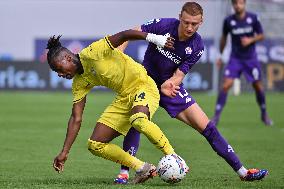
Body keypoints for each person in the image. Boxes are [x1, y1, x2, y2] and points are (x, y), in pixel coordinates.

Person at [113, 1, 268, 184]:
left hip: (169, 88)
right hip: (145, 82)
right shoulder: (163, 25)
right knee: (138, 120)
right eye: (185, 22)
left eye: (194, 24)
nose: (189, 27)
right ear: (180, 17)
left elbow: (180, 74)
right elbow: (130, 33)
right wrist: (118, 55)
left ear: (201, 22)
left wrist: (170, 84)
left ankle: (243, 172)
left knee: (208, 128)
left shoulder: (197, 45)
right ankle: (124, 173)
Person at [48, 30, 181, 184]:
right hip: (124, 97)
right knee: (95, 145)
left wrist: (155, 39)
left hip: (143, 85)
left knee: (139, 120)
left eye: (59, 68)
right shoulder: (79, 82)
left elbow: (124, 35)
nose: (59, 74)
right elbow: (76, 118)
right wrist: (64, 152)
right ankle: (142, 168)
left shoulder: (93, 52)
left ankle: (173, 157)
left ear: (67, 57)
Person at [212, 0, 273, 126]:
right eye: (235, 3)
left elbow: (261, 35)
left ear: (244, 4)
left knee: (258, 87)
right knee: (225, 85)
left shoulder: (253, 18)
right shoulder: (228, 20)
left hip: (251, 59)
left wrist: (251, 39)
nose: (237, 6)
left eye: (240, 3)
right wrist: (220, 55)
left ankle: (264, 113)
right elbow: (224, 37)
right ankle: (216, 116)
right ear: (232, 5)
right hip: (235, 59)